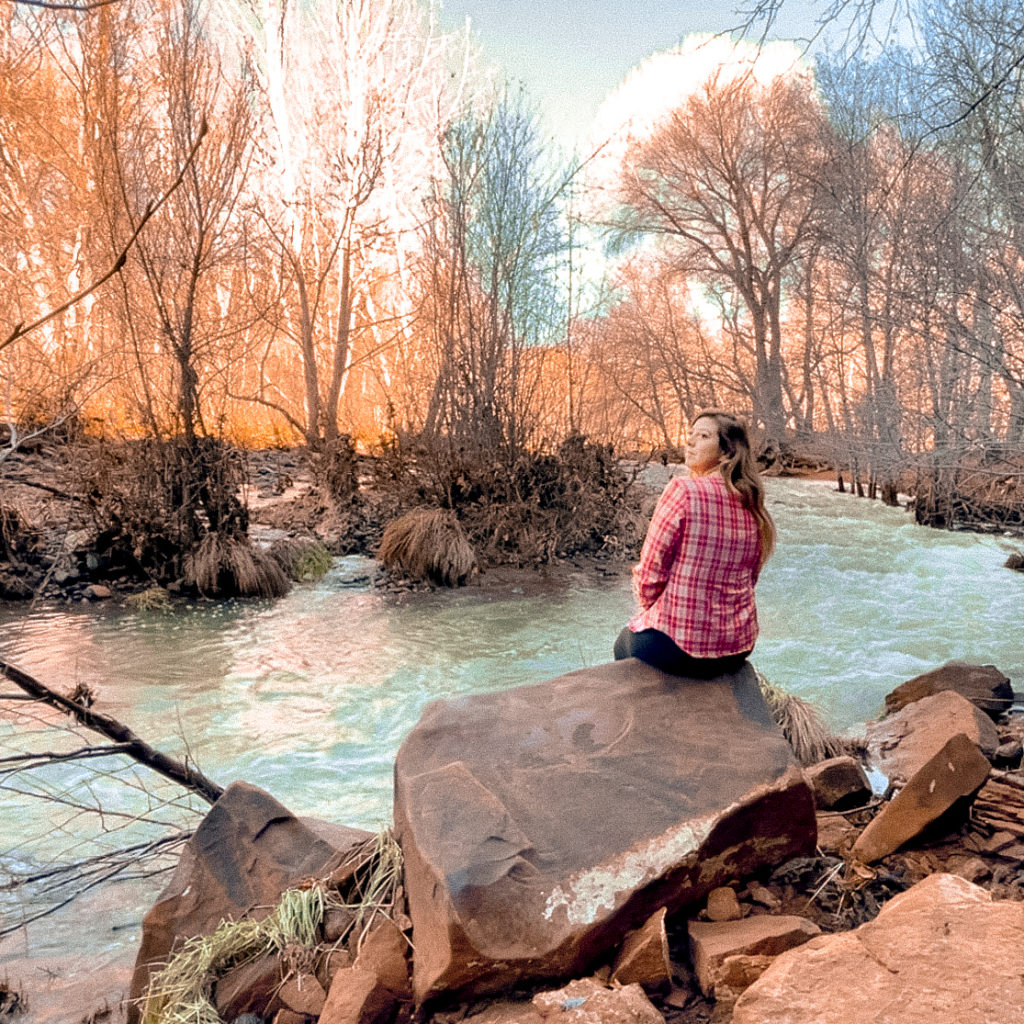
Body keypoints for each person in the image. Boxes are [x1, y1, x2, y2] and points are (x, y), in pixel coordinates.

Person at [614, 409, 776, 678]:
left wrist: (648, 612)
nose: (689, 441)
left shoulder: (683, 491)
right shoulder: (752, 502)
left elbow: (650, 573)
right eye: (690, 434)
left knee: (623, 642)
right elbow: (750, 579)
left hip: (682, 650)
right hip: (736, 648)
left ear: (726, 452)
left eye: (703, 436)